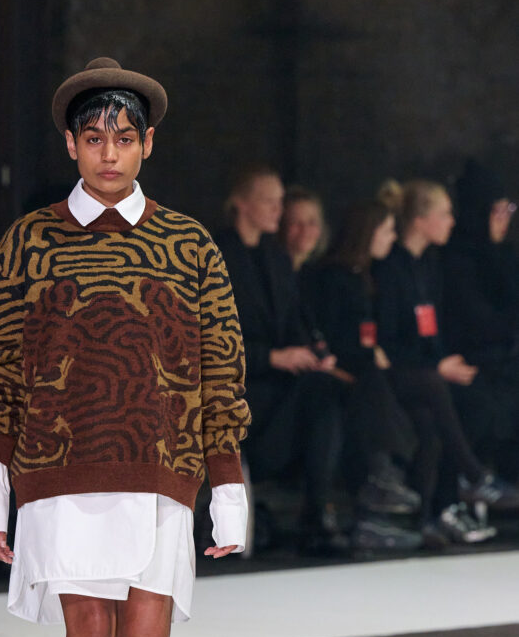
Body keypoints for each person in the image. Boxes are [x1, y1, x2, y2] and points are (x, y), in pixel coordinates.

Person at [0, 58, 250, 637]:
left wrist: (227, 478)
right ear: (70, 144)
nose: (108, 153)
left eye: (123, 138)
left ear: (146, 143)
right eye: (93, 138)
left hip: (160, 459)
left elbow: (221, 363)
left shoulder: (187, 244)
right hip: (58, 459)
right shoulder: (29, 240)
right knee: (86, 631)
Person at [374, 179, 519, 544]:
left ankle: (432, 514)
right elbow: (388, 338)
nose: (451, 221)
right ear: (421, 220)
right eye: (444, 214)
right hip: (400, 372)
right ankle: (472, 479)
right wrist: (436, 367)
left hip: (430, 369)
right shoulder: (391, 268)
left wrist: (441, 362)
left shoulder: (428, 266)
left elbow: (432, 328)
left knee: (461, 408)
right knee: (447, 403)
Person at [216, 165, 346, 553]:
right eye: (269, 201)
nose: (278, 209)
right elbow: (209, 340)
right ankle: (316, 515)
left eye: (279, 201)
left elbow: (291, 322)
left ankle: (318, 511)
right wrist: (273, 357)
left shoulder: (274, 257)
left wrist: (312, 353)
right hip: (238, 389)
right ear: (242, 204)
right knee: (321, 397)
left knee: (325, 391)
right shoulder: (216, 256)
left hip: (279, 385)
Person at [311, 199, 422, 549]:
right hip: (334, 373)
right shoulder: (335, 278)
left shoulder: (364, 276)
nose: (392, 238)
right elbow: (334, 334)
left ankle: (383, 490)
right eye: (386, 230)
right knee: (373, 389)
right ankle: (382, 476)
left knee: (405, 396)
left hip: (356, 372)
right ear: (368, 232)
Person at [442, 160, 519, 479]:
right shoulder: (455, 259)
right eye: (497, 210)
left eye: (508, 209)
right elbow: (475, 322)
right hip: (472, 358)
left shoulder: (502, 255)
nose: (504, 219)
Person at [279, 186, 328, 273]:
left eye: (312, 222)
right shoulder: (269, 271)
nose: (305, 229)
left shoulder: (320, 274)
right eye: (295, 221)